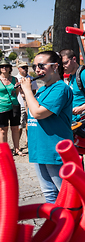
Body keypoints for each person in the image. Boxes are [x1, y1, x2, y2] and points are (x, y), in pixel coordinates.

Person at [19, 51, 73, 203]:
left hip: (55, 149)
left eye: (41, 66)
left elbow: (37, 113)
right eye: (35, 66)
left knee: (67, 194)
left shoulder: (60, 88)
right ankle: (60, 225)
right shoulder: (42, 90)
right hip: (40, 148)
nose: (37, 70)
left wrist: (28, 91)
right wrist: (26, 95)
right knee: (50, 194)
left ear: (55, 67)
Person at [0, 60, 23, 156]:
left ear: (10, 68)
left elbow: (17, 93)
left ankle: (16, 149)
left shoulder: (14, 79)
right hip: (1, 107)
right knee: (3, 129)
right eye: (2, 66)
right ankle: (4, 151)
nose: (4, 68)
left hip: (14, 106)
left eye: (6, 66)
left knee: (15, 128)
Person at [16, 61, 38, 153]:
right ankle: (17, 145)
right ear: (18, 69)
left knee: (29, 124)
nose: (25, 69)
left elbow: (34, 92)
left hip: (29, 104)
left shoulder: (31, 78)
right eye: (23, 67)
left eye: (26, 67)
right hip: (19, 104)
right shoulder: (16, 79)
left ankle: (29, 142)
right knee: (20, 125)